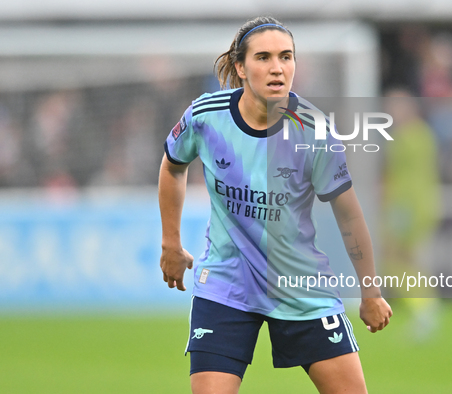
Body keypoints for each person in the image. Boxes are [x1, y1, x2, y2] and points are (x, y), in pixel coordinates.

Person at [158, 16, 392, 394]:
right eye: (263, 57)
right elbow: (172, 167)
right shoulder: (206, 116)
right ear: (240, 67)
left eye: (286, 56)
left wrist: (370, 291)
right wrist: (170, 242)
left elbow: (347, 211)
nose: (277, 67)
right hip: (226, 284)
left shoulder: (314, 130)